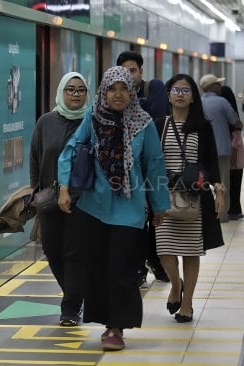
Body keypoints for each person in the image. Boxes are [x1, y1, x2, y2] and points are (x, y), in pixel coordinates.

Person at [57, 66, 171, 351]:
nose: (117, 94)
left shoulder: (144, 123)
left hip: (129, 211)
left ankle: (116, 328)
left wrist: (159, 206)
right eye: (111, 89)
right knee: (96, 269)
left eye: (123, 88)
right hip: (92, 207)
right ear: (103, 92)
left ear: (131, 92)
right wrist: (63, 188)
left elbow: (154, 164)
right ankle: (106, 321)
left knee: (122, 270)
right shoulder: (92, 118)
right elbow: (72, 149)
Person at [155, 74, 225, 323]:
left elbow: (211, 161)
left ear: (193, 95)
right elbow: (151, 160)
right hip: (163, 195)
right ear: (168, 95)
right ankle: (176, 284)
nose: (181, 94)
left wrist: (218, 189)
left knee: (190, 252)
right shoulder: (159, 124)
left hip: (194, 197)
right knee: (164, 251)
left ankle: (187, 304)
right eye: (176, 90)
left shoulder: (202, 126)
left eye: (185, 90)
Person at [30, 72, 89, 326]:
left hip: (83, 201)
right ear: (62, 92)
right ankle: (74, 293)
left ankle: (70, 308)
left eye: (81, 90)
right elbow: (35, 156)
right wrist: (36, 191)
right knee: (53, 251)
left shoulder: (92, 121)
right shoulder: (46, 121)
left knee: (74, 253)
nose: (75, 94)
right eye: (71, 90)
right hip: (50, 200)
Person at [116, 50, 170, 285]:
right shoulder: (115, 93)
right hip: (127, 171)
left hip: (152, 162)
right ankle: (141, 266)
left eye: (133, 71)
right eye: (125, 71)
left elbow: (156, 119)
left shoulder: (154, 87)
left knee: (151, 218)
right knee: (136, 219)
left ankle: (155, 262)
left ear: (141, 71)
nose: (130, 75)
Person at [200, 74, 242, 222]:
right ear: (212, 87)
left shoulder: (198, 102)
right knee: (223, 182)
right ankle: (222, 216)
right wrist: (239, 125)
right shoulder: (222, 101)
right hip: (222, 149)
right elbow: (235, 121)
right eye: (217, 84)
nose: (220, 86)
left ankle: (205, 213)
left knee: (204, 182)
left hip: (203, 150)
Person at [220, 85, 244, 220]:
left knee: (231, 184)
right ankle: (235, 210)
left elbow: (235, 142)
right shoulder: (234, 116)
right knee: (235, 184)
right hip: (235, 157)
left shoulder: (228, 118)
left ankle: (233, 211)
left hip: (233, 157)